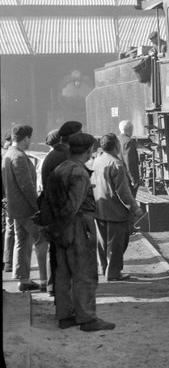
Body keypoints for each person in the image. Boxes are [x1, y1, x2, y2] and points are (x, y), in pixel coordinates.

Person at [44, 132, 115, 332]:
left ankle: (65, 316)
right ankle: (87, 319)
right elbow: (73, 206)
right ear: (88, 150)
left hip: (59, 226)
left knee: (63, 272)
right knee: (85, 273)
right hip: (77, 226)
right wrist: (67, 226)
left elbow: (49, 201)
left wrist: (55, 227)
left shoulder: (59, 169)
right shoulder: (79, 172)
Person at [2, 125, 48, 291]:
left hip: (15, 208)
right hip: (26, 209)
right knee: (41, 240)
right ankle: (44, 280)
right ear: (25, 138)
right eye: (30, 138)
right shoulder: (19, 157)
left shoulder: (8, 154)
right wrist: (37, 208)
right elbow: (27, 187)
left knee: (21, 242)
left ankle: (23, 279)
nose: (31, 141)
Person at [40, 121, 83, 297]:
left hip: (52, 209)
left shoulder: (52, 155)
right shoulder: (66, 157)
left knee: (55, 250)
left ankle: (53, 286)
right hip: (64, 212)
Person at [92, 133, 141, 281]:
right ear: (116, 146)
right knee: (116, 244)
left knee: (102, 242)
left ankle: (103, 268)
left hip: (99, 208)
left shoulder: (96, 161)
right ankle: (113, 272)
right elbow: (123, 192)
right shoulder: (116, 164)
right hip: (115, 211)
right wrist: (135, 208)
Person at [3, 130, 16, 273]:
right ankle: (8, 262)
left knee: (9, 230)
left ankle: (8, 262)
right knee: (11, 229)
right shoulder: (8, 155)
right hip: (9, 197)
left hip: (6, 196)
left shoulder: (5, 154)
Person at [118, 120, 140, 198]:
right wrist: (133, 179)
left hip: (119, 176)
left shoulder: (117, 140)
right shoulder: (129, 142)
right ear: (130, 129)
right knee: (130, 200)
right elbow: (129, 162)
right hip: (127, 178)